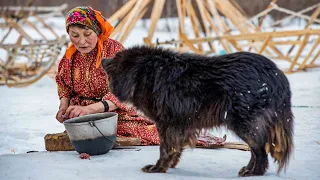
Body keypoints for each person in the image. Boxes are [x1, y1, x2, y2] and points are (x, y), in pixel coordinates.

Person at [55, 6, 225, 146]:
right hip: (83, 115)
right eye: (75, 35)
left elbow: (121, 92)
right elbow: (63, 84)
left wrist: (90, 109)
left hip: (115, 113)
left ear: (98, 31)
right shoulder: (70, 57)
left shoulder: (113, 52)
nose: (81, 41)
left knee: (150, 131)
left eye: (87, 34)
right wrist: (64, 107)